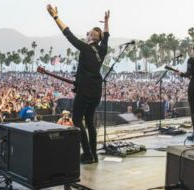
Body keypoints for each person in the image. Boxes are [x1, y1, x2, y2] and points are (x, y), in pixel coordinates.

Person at [47, 5, 110, 164]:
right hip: (96, 91)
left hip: (85, 91)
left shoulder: (85, 48)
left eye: (88, 33)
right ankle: (93, 154)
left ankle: (88, 154)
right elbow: (107, 35)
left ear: (91, 37)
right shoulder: (102, 50)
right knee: (89, 121)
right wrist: (107, 22)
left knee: (76, 120)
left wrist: (55, 17)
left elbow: (68, 34)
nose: (86, 34)